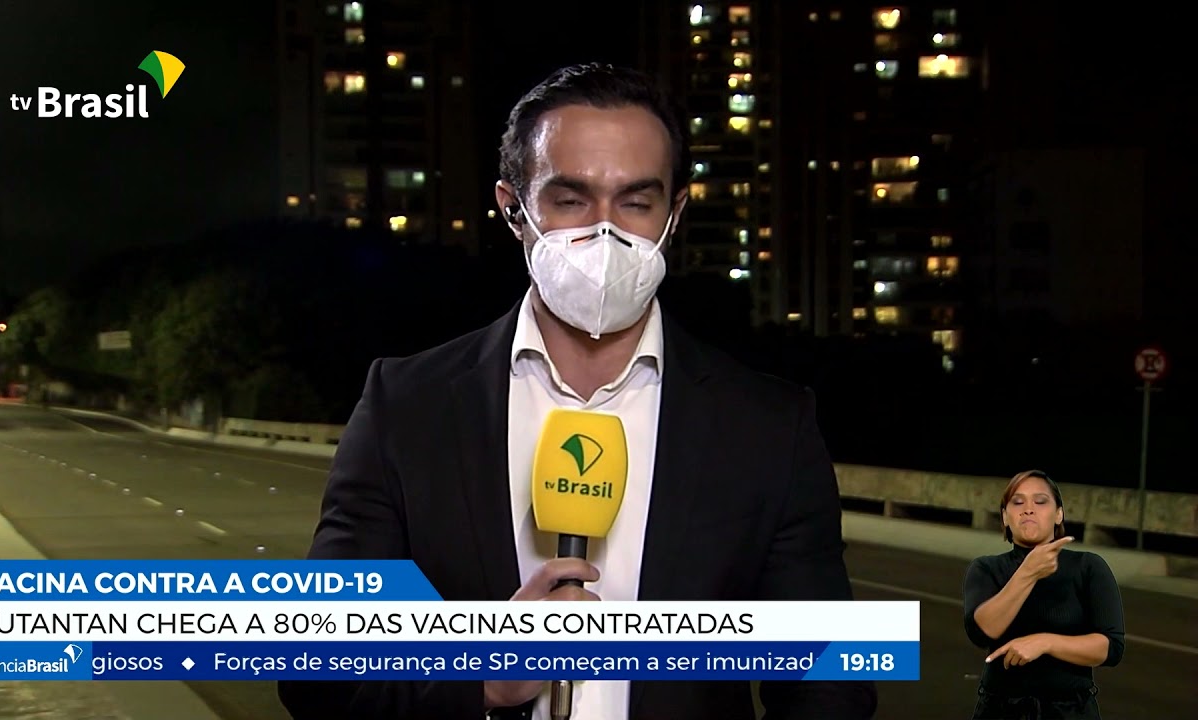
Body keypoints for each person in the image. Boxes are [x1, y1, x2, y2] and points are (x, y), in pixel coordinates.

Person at [278, 63, 876, 720]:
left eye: (636, 202)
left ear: (674, 213)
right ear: (514, 209)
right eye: (571, 200)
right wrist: (478, 678)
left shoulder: (770, 427)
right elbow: (316, 673)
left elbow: (830, 681)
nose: (604, 232)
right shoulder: (406, 407)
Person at [962, 470, 1126, 719]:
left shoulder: (1088, 566)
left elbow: (1112, 648)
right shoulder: (986, 568)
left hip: (1071, 711)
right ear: (1005, 517)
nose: (1028, 509)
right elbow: (981, 632)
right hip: (1001, 710)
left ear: (1058, 514)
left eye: (1040, 501)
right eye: (1017, 502)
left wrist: (1045, 643)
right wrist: (1027, 572)